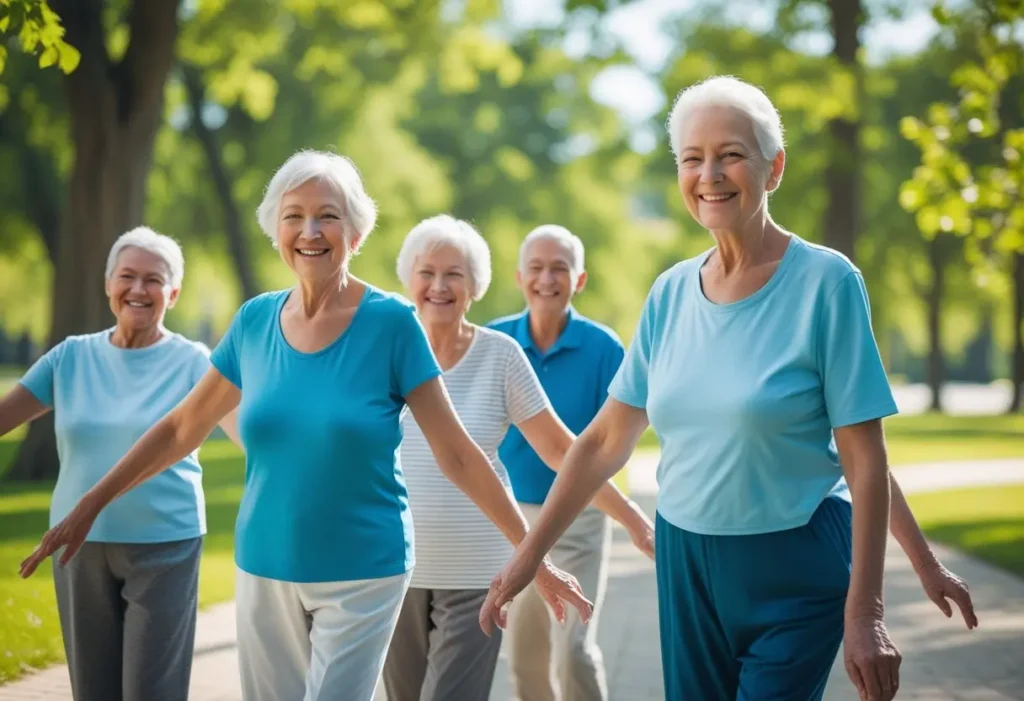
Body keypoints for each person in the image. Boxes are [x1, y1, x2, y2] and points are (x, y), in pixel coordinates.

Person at [20, 150, 591, 701]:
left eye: (328, 216)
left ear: (356, 234)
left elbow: (460, 455)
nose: (310, 231)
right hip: (265, 562)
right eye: (294, 216)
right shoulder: (254, 321)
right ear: (277, 231)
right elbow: (181, 428)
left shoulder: (392, 323)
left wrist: (532, 559)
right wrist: (91, 504)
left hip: (365, 566)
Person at [478, 77, 978, 701]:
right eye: (692, 158)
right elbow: (603, 441)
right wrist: (528, 558)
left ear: (775, 167)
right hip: (685, 562)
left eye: (731, 154)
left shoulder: (827, 283)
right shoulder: (669, 293)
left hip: (796, 561)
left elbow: (862, 457)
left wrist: (868, 611)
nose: (709, 174)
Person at [382, 216, 653, 701]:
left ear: (476, 285)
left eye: (454, 274)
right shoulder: (385, 351)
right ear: (409, 279)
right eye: (427, 273)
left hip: (479, 572)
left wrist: (633, 519)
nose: (439, 286)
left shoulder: (501, 355)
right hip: (397, 564)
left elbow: (564, 450)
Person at [3, 227, 240, 701]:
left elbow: (250, 435)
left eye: (154, 280)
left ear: (173, 293)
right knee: (92, 690)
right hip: (76, 544)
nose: (138, 289)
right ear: (108, 284)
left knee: (153, 690)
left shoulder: (195, 362)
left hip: (166, 543)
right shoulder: (69, 357)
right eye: (127, 276)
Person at [487, 224, 628, 701]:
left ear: (579, 279)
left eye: (559, 268)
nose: (546, 279)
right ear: (519, 276)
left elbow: (616, 439)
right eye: (536, 268)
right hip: (513, 519)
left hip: (580, 518)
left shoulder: (604, 348)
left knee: (573, 649)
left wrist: (631, 517)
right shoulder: (495, 342)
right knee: (525, 653)